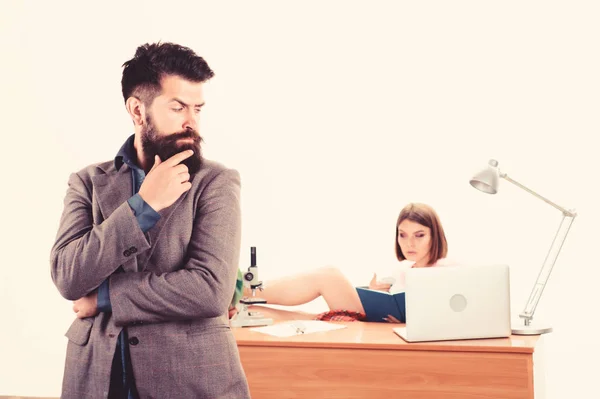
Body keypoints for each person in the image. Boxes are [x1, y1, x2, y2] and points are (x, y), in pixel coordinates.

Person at [50, 42, 250, 399]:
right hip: (97, 378)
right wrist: (143, 205)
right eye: (178, 107)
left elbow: (209, 290)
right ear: (137, 111)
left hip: (191, 380)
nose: (192, 121)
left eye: (198, 109)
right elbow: (68, 275)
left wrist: (105, 296)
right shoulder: (87, 181)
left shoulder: (216, 182)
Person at [238, 203, 449, 322]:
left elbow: (448, 320)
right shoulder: (403, 269)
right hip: (374, 322)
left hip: (387, 329)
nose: (409, 243)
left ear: (434, 236)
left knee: (328, 275)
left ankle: (238, 289)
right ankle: (237, 306)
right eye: (402, 235)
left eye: (419, 235)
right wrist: (377, 293)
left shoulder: (447, 271)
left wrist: (406, 324)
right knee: (305, 317)